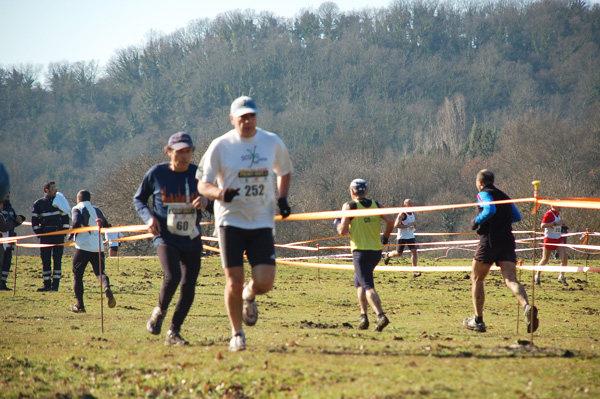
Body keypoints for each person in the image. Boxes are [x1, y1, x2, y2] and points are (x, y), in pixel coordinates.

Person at [197, 96, 293, 352]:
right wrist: (219, 193)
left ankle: (250, 294)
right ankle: (236, 333)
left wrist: (283, 198)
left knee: (265, 283)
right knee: (233, 280)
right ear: (232, 119)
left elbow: (284, 170)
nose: (248, 121)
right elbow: (202, 184)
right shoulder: (220, 145)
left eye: (252, 116)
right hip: (230, 220)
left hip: (261, 220)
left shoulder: (270, 141)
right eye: (242, 117)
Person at [134, 132, 212, 347]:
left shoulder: (198, 175)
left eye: (188, 151)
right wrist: (148, 218)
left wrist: (206, 200)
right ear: (169, 152)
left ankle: (174, 332)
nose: (184, 156)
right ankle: (160, 311)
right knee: (173, 275)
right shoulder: (156, 173)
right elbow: (139, 199)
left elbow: (213, 203)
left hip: (191, 237)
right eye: (179, 151)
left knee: (189, 286)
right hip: (165, 236)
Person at [464, 169, 538, 333]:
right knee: (511, 279)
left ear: (480, 182)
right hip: (507, 240)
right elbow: (517, 217)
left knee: (476, 278)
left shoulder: (483, 194)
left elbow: (490, 210)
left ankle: (478, 320)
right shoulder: (505, 196)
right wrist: (502, 222)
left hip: (489, 241)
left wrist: (476, 221)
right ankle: (526, 307)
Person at [335, 179, 394, 332]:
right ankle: (363, 317)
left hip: (360, 252)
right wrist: (385, 238)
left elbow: (343, 231)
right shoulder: (377, 204)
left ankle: (381, 316)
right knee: (358, 281)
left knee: (367, 285)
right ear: (366, 191)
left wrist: (336, 223)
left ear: (352, 191)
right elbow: (391, 221)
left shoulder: (350, 206)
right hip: (375, 252)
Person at [69, 190, 116, 313]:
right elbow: (106, 225)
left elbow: (76, 222)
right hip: (98, 247)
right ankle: (106, 287)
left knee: (77, 275)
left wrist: (70, 235)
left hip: (83, 247)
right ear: (90, 199)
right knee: (100, 272)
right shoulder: (97, 210)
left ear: (78, 199)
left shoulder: (76, 208)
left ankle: (80, 306)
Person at [31, 181, 70, 292]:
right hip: (45, 236)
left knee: (57, 260)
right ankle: (46, 285)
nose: (56, 190)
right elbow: (34, 220)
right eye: (53, 188)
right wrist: (39, 233)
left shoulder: (59, 202)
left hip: (58, 236)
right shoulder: (39, 204)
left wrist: (63, 232)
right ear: (47, 190)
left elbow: (65, 218)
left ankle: (55, 286)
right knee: (45, 260)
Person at [383, 198, 421, 277]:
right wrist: (407, 226)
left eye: (412, 204)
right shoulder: (402, 214)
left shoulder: (413, 213)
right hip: (402, 236)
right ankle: (388, 255)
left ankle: (415, 271)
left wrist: (413, 226)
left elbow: (411, 223)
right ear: (405, 205)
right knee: (398, 253)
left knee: (414, 251)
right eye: (409, 204)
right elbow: (396, 225)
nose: (411, 205)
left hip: (410, 235)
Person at [535, 206, 569, 286]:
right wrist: (554, 223)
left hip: (558, 238)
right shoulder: (549, 214)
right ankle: (537, 275)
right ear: (554, 207)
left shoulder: (558, 214)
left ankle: (561, 276)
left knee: (565, 257)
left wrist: (562, 225)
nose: (560, 208)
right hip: (549, 239)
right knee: (545, 259)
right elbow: (542, 225)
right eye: (558, 207)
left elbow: (557, 225)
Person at [1, 193, 25, 291]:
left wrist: (20, 220)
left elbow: (12, 223)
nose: (8, 195)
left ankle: (3, 283)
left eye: (9, 193)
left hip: (9, 240)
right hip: (2, 241)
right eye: (6, 192)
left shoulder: (10, 208)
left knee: (7, 262)